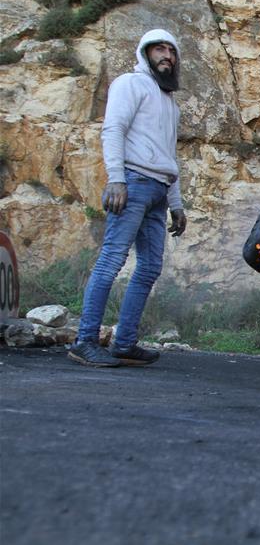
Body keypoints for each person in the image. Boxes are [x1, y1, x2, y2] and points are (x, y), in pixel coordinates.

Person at [68, 29, 188, 368]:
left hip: (159, 191)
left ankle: (124, 343)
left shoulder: (169, 102)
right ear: (145, 53)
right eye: (159, 50)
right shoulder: (129, 84)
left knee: (150, 267)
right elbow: (113, 129)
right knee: (111, 260)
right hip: (132, 183)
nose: (167, 55)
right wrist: (116, 179)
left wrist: (176, 204)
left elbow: (169, 154)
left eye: (172, 51)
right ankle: (85, 340)